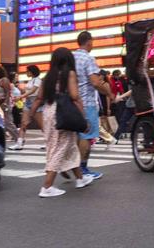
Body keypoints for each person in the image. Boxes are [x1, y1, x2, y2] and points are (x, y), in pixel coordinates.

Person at [28, 48, 95, 197]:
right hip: (64, 112)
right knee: (60, 148)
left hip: (49, 111)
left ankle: (80, 179)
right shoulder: (69, 74)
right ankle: (47, 186)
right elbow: (75, 97)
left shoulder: (48, 77)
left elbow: (39, 98)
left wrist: (29, 116)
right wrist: (84, 118)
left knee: (69, 146)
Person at [72, 31, 114, 179]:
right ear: (89, 42)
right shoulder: (88, 59)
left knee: (77, 136)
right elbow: (95, 82)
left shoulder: (71, 57)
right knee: (87, 136)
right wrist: (109, 93)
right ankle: (83, 168)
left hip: (73, 102)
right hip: (87, 103)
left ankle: (74, 166)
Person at [10, 65, 44, 150]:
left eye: (27, 71)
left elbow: (33, 90)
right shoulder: (31, 80)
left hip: (35, 103)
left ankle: (49, 142)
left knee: (42, 125)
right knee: (23, 123)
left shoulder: (38, 80)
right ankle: (19, 143)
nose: (26, 73)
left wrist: (21, 96)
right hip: (28, 102)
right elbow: (29, 91)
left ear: (31, 72)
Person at [0, 65, 20, 143]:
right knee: (1, 123)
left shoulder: (4, 80)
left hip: (4, 104)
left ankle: (18, 139)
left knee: (8, 123)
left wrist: (6, 103)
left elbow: (7, 92)